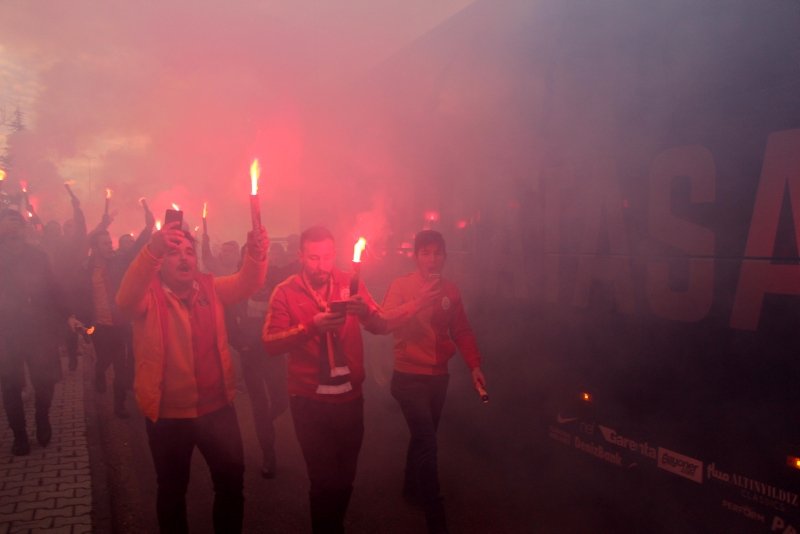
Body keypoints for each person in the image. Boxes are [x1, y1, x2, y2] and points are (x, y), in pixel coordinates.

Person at [116, 221, 268, 533]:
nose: (184, 258)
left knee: (230, 485)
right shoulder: (149, 295)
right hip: (169, 415)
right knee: (172, 492)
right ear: (161, 262)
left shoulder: (210, 287)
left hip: (217, 410)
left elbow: (247, 284)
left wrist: (256, 253)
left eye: (189, 252)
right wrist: (153, 248)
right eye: (173, 253)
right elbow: (124, 301)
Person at [262, 225, 389, 533]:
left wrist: (367, 314)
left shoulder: (350, 282)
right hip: (309, 401)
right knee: (323, 482)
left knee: (345, 480)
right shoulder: (286, 291)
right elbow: (270, 343)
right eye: (314, 258)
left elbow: (380, 324)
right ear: (301, 256)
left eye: (328, 257)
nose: (322, 265)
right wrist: (310, 327)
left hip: (349, 400)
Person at [381, 230, 487, 534]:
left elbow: (462, 331)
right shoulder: (401, 286)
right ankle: (435, 518)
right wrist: (418, 301)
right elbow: (385, 321)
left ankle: (409, 489)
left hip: (438, 378)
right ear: (415, 257)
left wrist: (474, 366)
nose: (431, 259)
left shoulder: (450, 291)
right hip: (407, 377)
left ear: (444, 257)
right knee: (428, 441)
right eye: (425, 253)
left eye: (437, 253)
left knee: (421, 438)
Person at [0, 209, 79, 455]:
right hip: (7, 331)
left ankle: (42, 416)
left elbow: (54, 287)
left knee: (45, 380)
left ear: (24, 230)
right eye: (7, 224)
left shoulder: (38, 256)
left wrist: (68, 314)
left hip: (38, 329)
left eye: (17, 224)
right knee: (10, 385)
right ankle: (20, 435)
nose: (13, 229)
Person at [228, 242, 289, 479]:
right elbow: (227, 320)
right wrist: (239, 343)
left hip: (273, 349)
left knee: (281, 399)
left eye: (259, 255)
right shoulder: (235, 283)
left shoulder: (274, 277)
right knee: (259, 404)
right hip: (250, 352)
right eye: (249, 255)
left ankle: (265, 423)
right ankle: (268, 454)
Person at [85, 206, 154, 417]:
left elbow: (137, 248)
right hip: (98, 326)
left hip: (120, 324)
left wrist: (149, 225)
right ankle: (99, 371)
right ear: (95, 247)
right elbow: (77, 293)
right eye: (104, 244)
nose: (109, 246)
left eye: (110, 243)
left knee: (121, 367)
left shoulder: (119, 261)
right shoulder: (86, 268)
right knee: (104, 360)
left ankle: (119, 405)